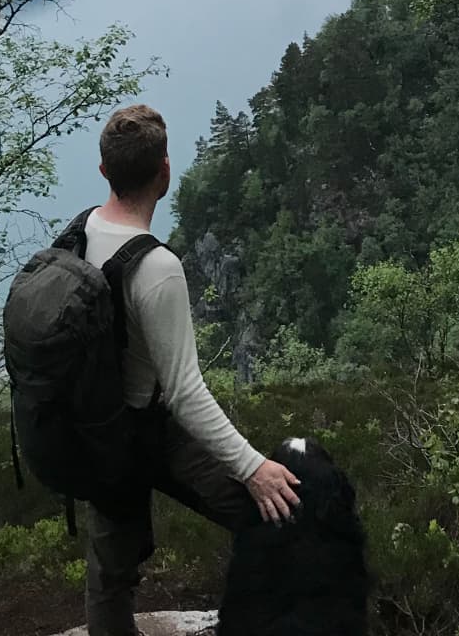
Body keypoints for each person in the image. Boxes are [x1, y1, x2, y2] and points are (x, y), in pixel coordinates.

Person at [82, 104, 301, 636]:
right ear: (165, 171)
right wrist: (254, 467)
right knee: (270, 513)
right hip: (149, 427)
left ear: (104, 171)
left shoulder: (85, 228)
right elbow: (185, 393)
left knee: (109, 579)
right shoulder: (157, 268)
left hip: (101, 429)